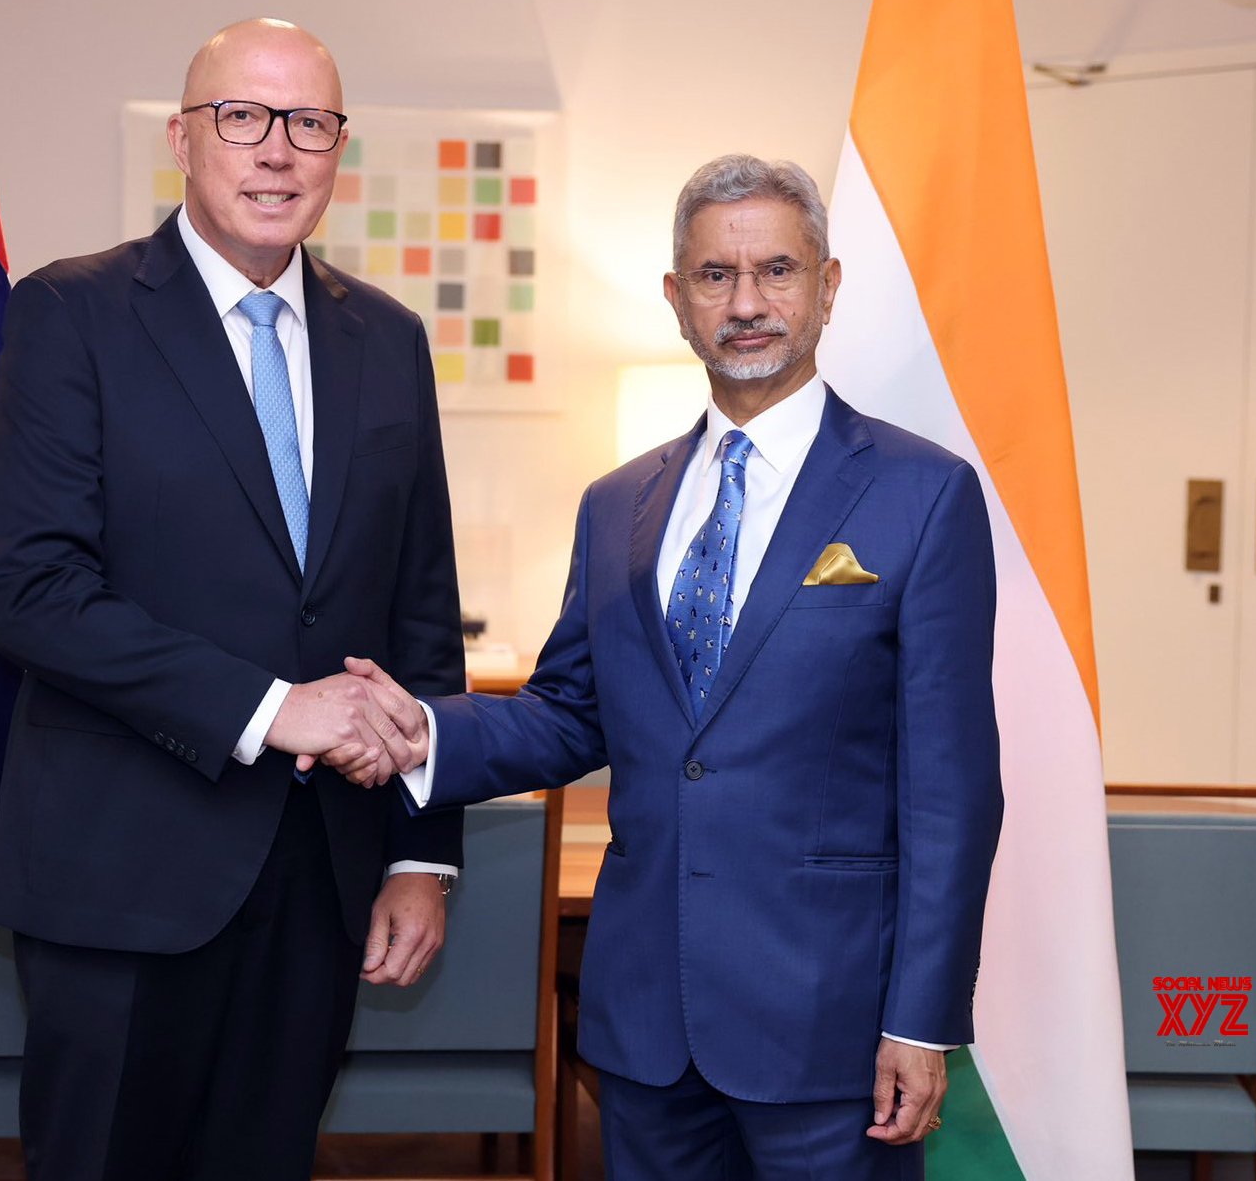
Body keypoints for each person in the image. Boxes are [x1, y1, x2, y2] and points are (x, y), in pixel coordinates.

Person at [358, 154, 1004, 1180]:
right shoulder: (619, 503)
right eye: (715, 277)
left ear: (827, 287)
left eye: (778, 272)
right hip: (647, 1021)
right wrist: (420, 732)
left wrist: (923, 1018)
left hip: (833, 1027)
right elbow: (571, 714)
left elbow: (952, 792)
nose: (747, 303)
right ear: (677, 299)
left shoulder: (924, 496)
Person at [0, 18, 463, 1180]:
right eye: (243, 118)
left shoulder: (387, 341)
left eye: (309, 124)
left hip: (322, 879)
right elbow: (31, 591)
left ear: (338, 149)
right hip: (122, 876)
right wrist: (267, 707)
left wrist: (421, 855)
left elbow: (422, 614)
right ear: (184, 141)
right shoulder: (70, 315)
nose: (277, 151)